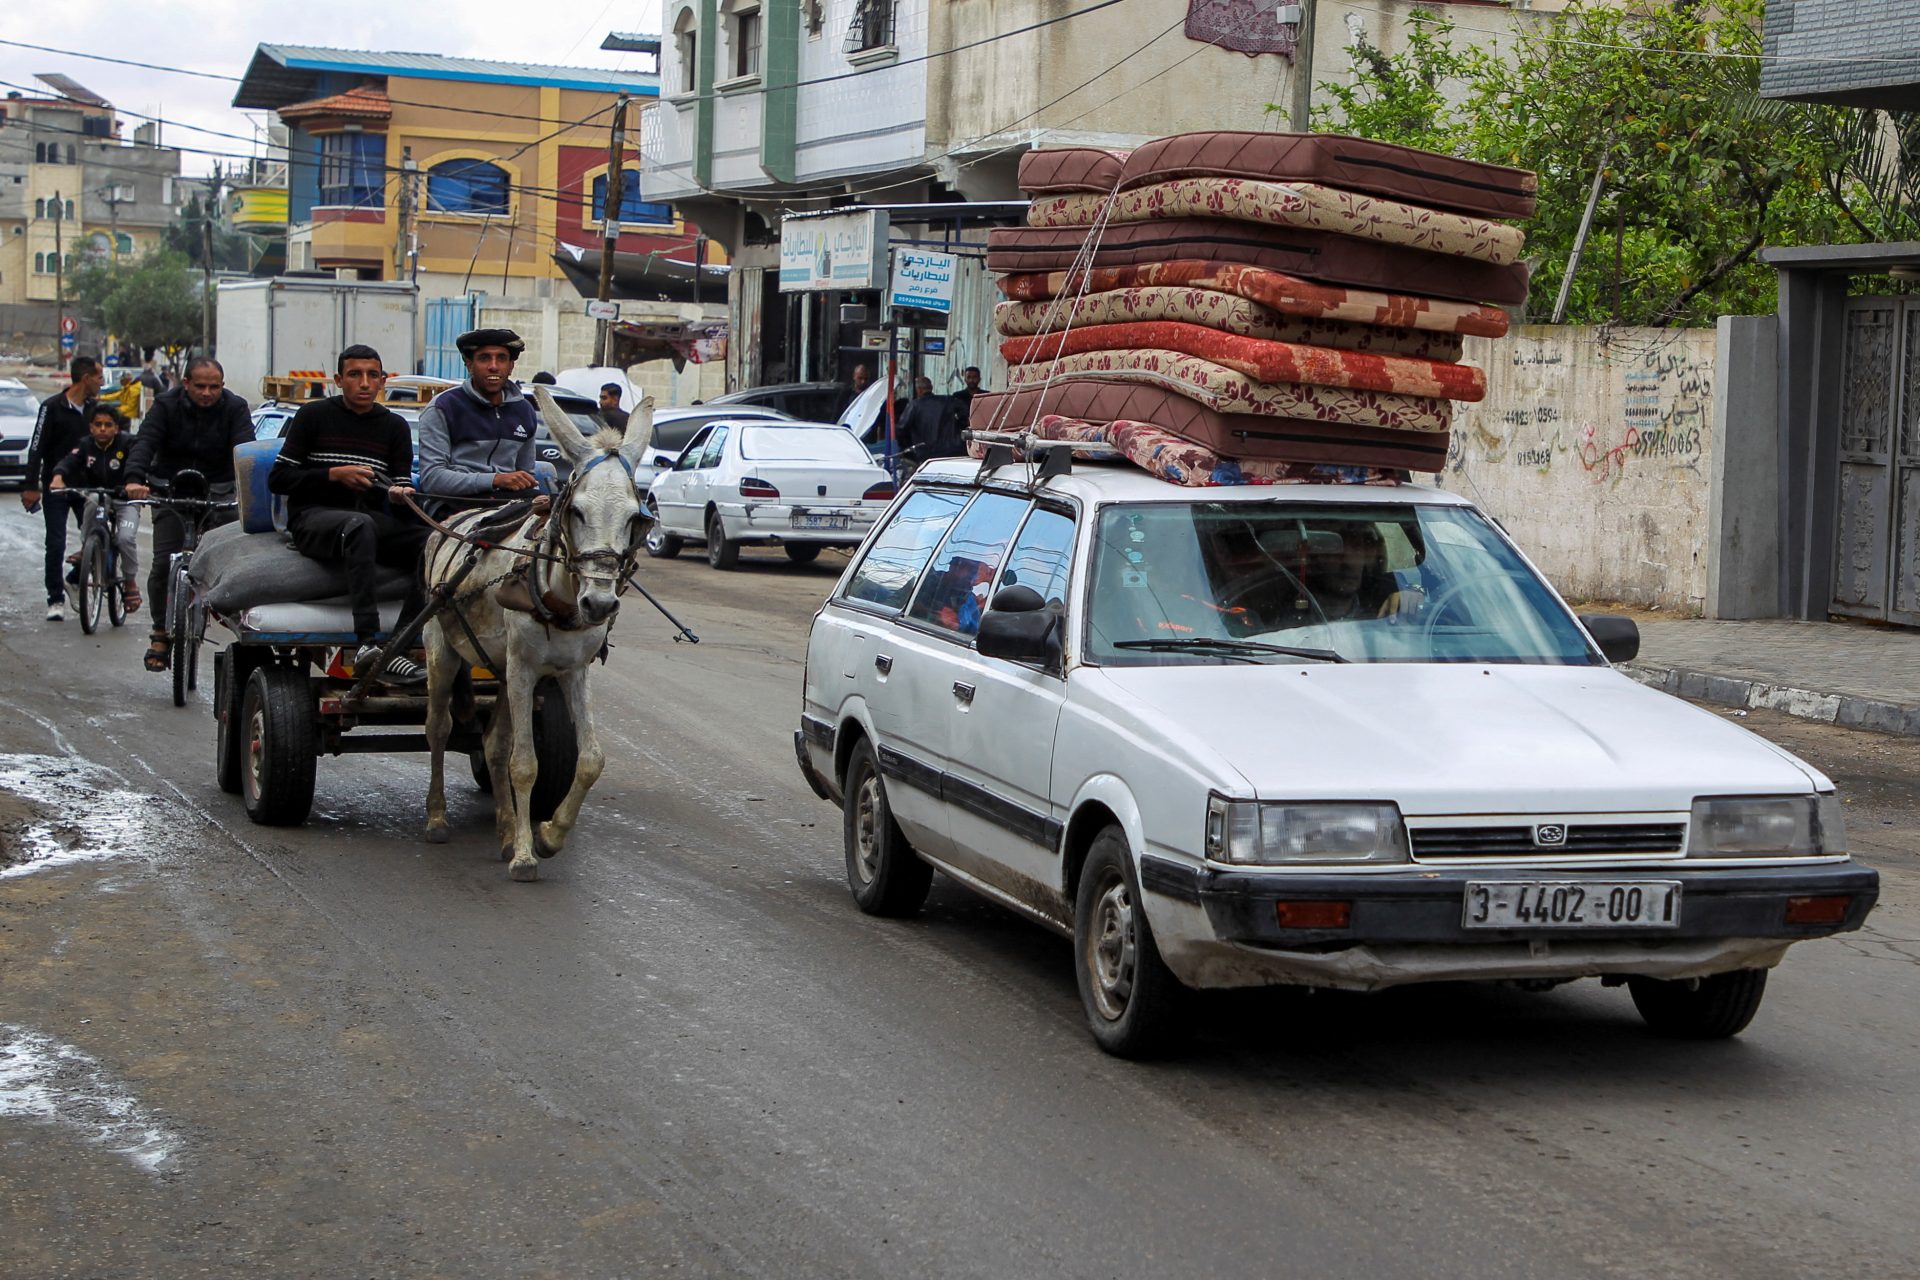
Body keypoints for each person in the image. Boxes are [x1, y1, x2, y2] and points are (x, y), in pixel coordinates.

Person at [269, 345, 430, 685]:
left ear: (383, 381)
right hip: (314, 517)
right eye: (355, 375)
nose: (364, 383)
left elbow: (399, 485)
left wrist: (401, 494)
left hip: (368, 518)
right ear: (339, 380)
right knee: (360, 525)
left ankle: (399, 645)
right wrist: (333, 475)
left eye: (373, 375)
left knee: (432, 543)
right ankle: (367, 642)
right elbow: (279, 479)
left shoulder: (395, 426)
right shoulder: (312, 417)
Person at [124, 356, 251, 672]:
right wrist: (134, 478)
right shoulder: (166, 406)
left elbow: (246, 450)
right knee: (162, 564)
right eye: (201, 386)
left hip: (218, 492)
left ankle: (239, 620)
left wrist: (250, 486)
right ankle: (160, 631)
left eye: (215, 387)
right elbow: (145, 442)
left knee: (235, 559)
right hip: (170, 489)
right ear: (186, 383)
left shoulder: (235, 408)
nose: (208, 393)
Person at [417, 328, 539, 515]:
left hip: (508, 505)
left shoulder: (525, 411)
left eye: (501, 358)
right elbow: (432, 479)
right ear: (469, 364)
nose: (493, 366)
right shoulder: (443, 407)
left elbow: (526, 473)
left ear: (511, 366)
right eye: (484, 358)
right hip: (454, 506)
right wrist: (495, 479)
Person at [21, 355, 104, 621]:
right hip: (56, 486)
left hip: (88, 487)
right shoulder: (51, 407)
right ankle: (55, 598)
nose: (102, 383)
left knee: (98, 538)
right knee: (55, 543)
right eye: (99, 377)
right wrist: (30, 486)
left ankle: (73, 579)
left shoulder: (96, 410)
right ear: (86, 378)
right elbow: (37, 448)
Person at [48, 404, 142, 613]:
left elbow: (141, 464)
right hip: (99, 496)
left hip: (126, 500)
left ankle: (130, 582)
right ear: (90, 427)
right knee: (91, 499)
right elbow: (69, 462)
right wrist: (58, 478)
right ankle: (87, 547)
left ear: (116, 428)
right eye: (97, 424)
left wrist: (137, 485)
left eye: (108, 425)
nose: (102, 429)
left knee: (125, 538)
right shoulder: (85, 445)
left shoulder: (128, 444)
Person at [895, 376, 964, 471]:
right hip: (950, 452)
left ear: (918, 390)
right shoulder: (948, 401)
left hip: (925, 453)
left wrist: (905, 447)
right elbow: (966, 413)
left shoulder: (914, 405)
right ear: (931, 388)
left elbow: (901, 429)